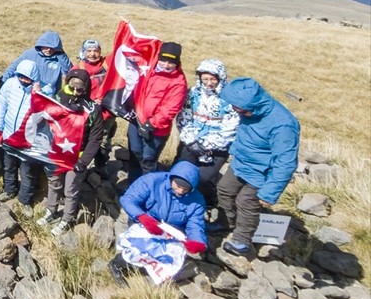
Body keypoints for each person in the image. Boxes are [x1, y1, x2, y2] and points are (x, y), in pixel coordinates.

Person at [214, 77, 301, 256]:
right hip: (241, 163)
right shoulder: (248, 109)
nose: (233, 109)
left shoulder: (283, 125)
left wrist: (269, 193)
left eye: (236, 106)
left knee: (246, 202)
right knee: (224, 189)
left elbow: (285, 161)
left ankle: (241, 241)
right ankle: (226, 223)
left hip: (262, 171)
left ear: (251, 105)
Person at [111, 161, 208, 282]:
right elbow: (128, 199)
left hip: (171, 229)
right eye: (178, 186)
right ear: (171, 178)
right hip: (144, 220)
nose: (181, 191)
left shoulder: (197, 200)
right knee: (142, 247)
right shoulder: (151, 181)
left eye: (186, 189)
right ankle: (117, 264)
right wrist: (143, 217)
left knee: (170, 254)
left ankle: (153, 272)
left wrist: (197, 241)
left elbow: (195, 224)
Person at [36, 69, 105, 235]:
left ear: (86, 88)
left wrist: (83, 162)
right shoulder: (58, 100)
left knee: (70, 190)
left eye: (80, 89)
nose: (75, 92)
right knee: (54, 183)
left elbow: (95, 139)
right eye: (72, 87)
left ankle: (67, 218)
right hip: (57, 154)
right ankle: (51, 211)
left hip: (77, 158)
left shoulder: (93, 110)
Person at [174, 59, 239, 210]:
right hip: (190, 142)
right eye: (205, 79)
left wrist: (206, 145)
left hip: (216, 148)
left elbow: (231, 127)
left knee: (203, 179)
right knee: (180, 173)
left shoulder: (230, 98)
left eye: (213, 79)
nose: (209, 83)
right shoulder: (193, 94)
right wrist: (191, 141)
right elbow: (184, 117)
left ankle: (202, 204)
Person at [126, 42, 187, 182]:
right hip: (136, 120)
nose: (166, 65)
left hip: (155, 130)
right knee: (135, 155)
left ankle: (147, 192)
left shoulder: (179, 82)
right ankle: (131, 188)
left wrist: (150, 124)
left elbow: (170, 109)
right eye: (163, 60)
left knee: (148, 162)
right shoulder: (148, 70)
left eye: (171, 62)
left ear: (177, 62)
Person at [0, 59, 39, 205]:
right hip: (8, 135)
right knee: (8, 166)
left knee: (27, 172)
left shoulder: (40, 91)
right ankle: (9, 191)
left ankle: (25, 201)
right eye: (21, 76)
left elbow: (45, 114)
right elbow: (0, 106)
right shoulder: (10, 84)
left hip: (28, 141)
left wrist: (38, 94)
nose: (24, 80)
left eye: (27, 78)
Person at [73, 38, 116, 169]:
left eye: (96, 51)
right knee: (85, 141)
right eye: (89, 51)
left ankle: (100, 168)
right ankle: (82, 168)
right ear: (83, 52)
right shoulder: (77, 69)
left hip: (106, 113)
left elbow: (121, 50)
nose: (92, 54)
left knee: (104, 142)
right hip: (87, 115)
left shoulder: (107, 64)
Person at [1, 31, 72, 96]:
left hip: (47, 96)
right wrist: (3, 81)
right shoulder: (30, 54)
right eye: (47, 46)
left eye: (52, 47)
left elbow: (70, 72)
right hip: (27, 92)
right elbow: (13, 67)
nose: (49, 50)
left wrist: (62, 55)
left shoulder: (60, 59)